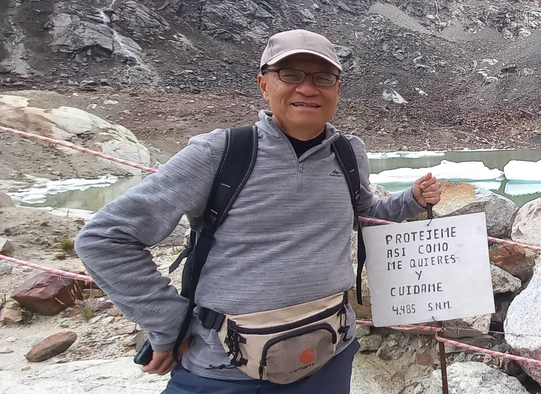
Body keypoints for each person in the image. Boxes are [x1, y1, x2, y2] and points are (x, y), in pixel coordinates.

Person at [75, 29, 441, 393]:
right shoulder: (219, 153)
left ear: (338, 89)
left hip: (329, 356)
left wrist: (410, 198)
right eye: (290, 74)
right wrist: (170, 323)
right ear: (264, 84)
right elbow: (105, 238)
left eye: (323, 77)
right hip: (225, 373)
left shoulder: (349, 153)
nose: (308, 88)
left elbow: (361, 214)